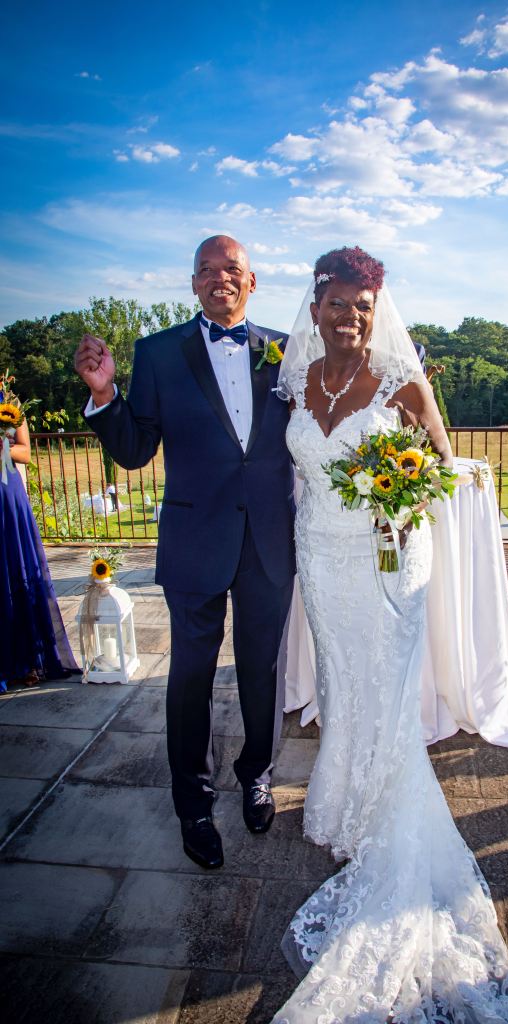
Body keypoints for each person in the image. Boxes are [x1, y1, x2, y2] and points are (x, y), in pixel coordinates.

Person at [272, 247, 508, 1022]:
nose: (347, 317)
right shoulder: (294, 379)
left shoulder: (402, 383)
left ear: (375, 312)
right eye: (335, 304)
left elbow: (443, 466)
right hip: (319, 555)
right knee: (345, 680)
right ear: (314, 307)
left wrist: (409, 487)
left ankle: (388, 816)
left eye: (361, 306)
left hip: (390, 559)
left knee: (383, 686)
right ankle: (343, 801)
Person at [73, 235, 296, 869]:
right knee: (190, 679)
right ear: (192, 284)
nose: (218, 278)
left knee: (262, 671)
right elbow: (135, 449)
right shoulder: (157, 353)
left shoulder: (287, 350)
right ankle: (193, 805)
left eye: (231, 269)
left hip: (269, 544)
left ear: (251, 282)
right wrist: (105, 395)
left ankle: (257, 773)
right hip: (195, 541)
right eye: (206, 270)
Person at [0, 403, 78, 688]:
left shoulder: (9, 404)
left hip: (7, 496)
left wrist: (2, 448)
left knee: (16, 572)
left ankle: (25, 661)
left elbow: (25, 452)